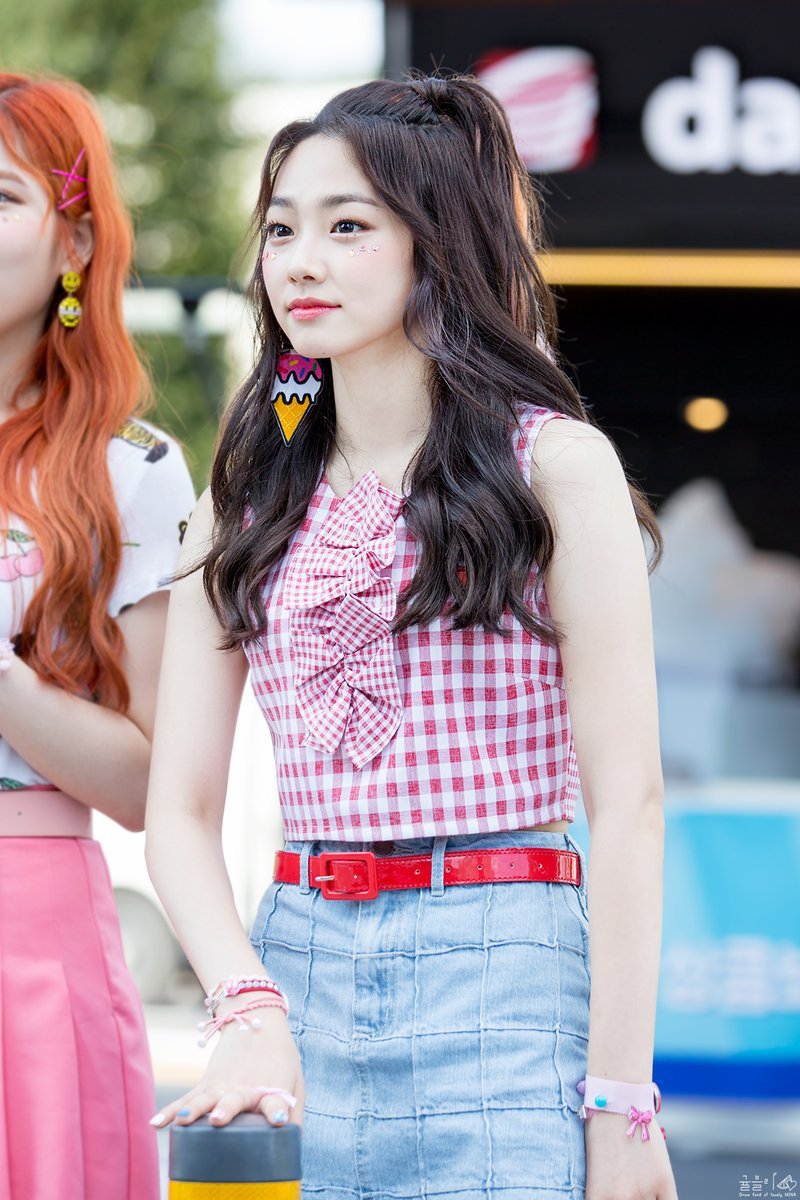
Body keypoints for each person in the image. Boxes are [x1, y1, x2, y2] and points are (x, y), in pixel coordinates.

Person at [146, 76, 678, 1200]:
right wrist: (245, 1003)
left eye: (347, 227)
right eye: (281, 230)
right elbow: (178, 814)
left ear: (438, 244)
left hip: (506, 967)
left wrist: (621, 1102)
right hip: (297, 966)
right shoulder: (244, 497)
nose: (300, 261)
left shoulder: (551, 465)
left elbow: (628, 800)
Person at [0, 73, 195, 1199]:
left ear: (74, 242)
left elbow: (143, 783)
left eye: (1, 197)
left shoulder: (132, 472)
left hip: (29, 933)